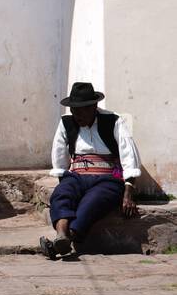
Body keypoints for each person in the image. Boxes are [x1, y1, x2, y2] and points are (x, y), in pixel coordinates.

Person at [39, 82, 141, 260]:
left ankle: (66, 239)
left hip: (108, 178)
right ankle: (61, 236)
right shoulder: (66, 123)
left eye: (82, 110)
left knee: (93, 201)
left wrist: (128, 192)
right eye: (74, 110)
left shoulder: (114, 121)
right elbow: (59, 155)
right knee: (61, 194)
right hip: (77, 175)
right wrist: (68, 183)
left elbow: (129, 155)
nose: (77, 115)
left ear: (94, 106)